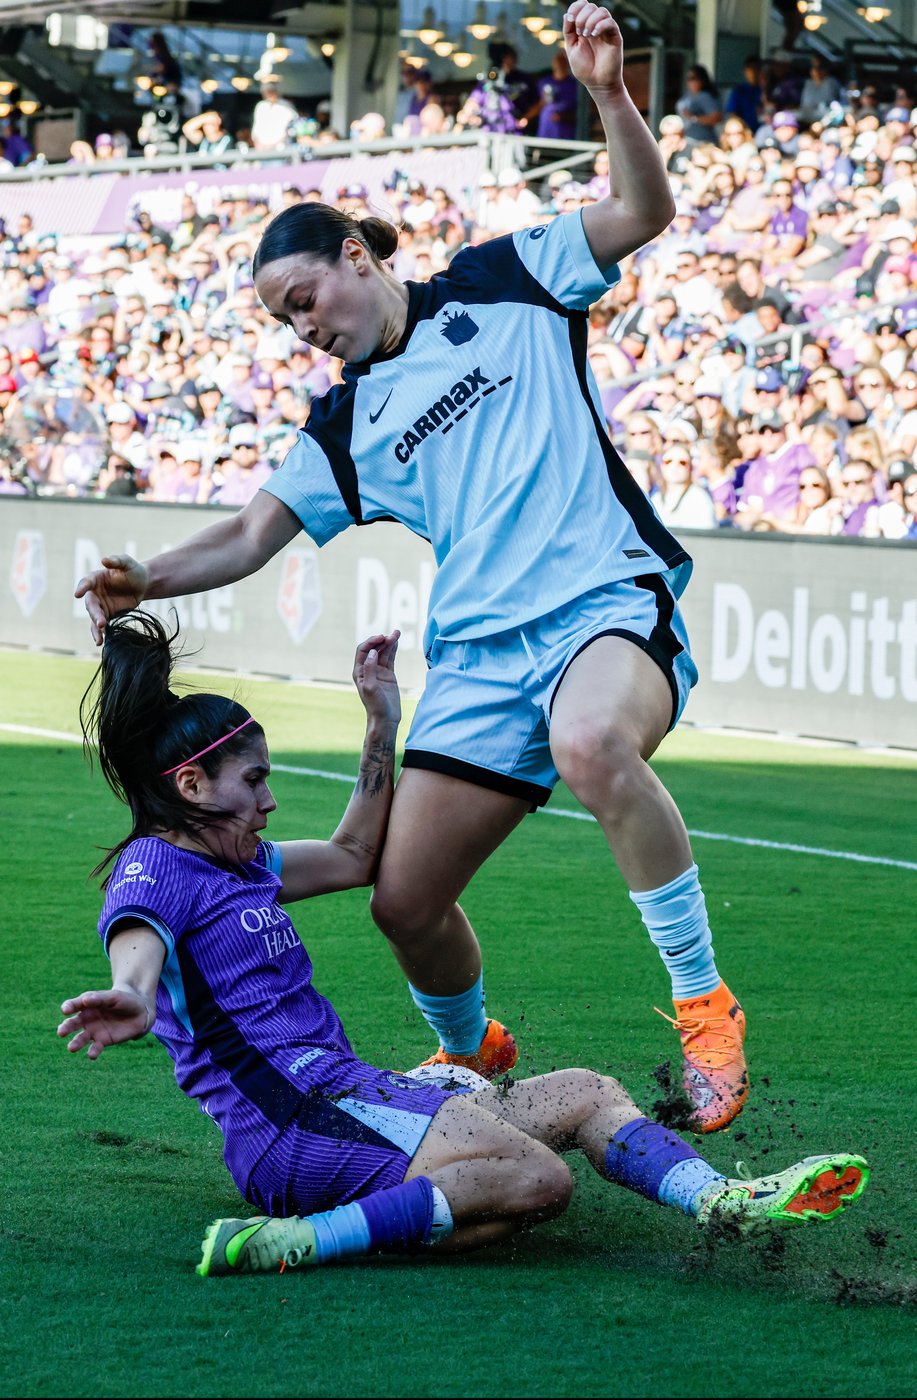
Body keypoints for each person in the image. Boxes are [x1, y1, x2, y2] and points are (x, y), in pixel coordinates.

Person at [76, 4, 750, 1136]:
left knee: (592, 742)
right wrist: (150, 573)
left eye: (305, 300)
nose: (304, 329)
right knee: (402, 898)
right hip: (481, 656)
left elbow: (645, 208)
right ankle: (472, 1050)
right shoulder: (343, 425)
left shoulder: (508, 279)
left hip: (603, 605)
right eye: (285, 322)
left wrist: (609, 95)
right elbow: (248, 536)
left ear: (356, 254)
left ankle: (703, 1004)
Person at [58, 611, 869, 1276]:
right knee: (533, 1179)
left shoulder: (243, 863)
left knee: (583, 1091)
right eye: (254, 782)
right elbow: (136, 956)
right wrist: (130, 998)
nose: (269, 800)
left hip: (348, 1096)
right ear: (191, 787)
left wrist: (381, 721)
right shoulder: (151, 872)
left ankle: (725, 1201)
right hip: (292, 1128)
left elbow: (352, 857)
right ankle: (293, 1241)